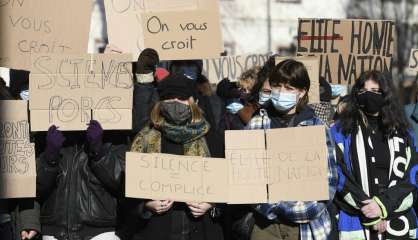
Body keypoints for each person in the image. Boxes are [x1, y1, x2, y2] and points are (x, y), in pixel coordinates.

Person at [248, 59, 338, 240]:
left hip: (305, 226)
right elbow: (245, 177)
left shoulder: (315, 126)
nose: (281, 93)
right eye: (277, 86)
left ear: (302, 91)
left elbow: (329, 181)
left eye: (289, 88)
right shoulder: (257, 122)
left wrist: (297, 211)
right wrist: (268, 207)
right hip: (266, 225)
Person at [128, 73, 224, 240]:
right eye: (169, 97)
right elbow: (128, 190)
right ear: (160, 102)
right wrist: (146, 205)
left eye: (181, 97)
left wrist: (211, 204)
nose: (175, 102)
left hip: (201, 230)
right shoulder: (145, 137)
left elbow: (228, 186)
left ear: (194, 101)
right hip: (157, 230)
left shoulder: (211, 138)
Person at [331, 71, 418, 239]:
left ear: (386, 95)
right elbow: (337, 175)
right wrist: (370, 211)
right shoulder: (340, 131)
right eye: (364, 91)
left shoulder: (404, 133)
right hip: (356, 222)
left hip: (398, 221)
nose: (369, 95)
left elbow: (412, 177)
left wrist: (383, 205)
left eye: (376, 91)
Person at [36, 121, 126, 240]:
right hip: (55, 231)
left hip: (99, 232)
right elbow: (37, 188)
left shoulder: (115, 134)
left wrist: (99, 151)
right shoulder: (45, 134)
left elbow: (120, 182)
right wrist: (50, 158)